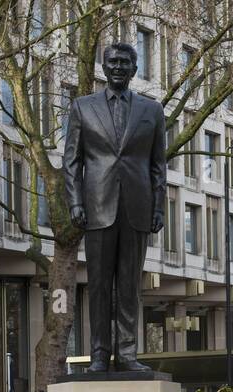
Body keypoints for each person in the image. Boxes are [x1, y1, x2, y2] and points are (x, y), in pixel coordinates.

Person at [63, 43, 167, 373]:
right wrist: (76, 201)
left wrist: (159, 207)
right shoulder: (82, 107)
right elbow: (72, 161)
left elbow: (157, 166)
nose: (119, 67)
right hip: (96, 207)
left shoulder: (152, 111)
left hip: (137, 208)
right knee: (98, 286)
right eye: (113, 62)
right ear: (103, 67)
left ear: (135, 69)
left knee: (128, 285)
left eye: (125, 62)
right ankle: (98, 355)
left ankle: (126, 353)